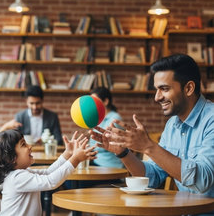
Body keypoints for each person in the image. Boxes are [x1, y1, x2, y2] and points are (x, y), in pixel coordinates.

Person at [90, 54, 214, 199]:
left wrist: (148, 146)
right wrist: (123, 153)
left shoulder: (211, 120)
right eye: (156, 89)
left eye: (164, 89)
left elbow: (203, 181)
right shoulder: (172, 125)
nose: (157, 97)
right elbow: (152, 177)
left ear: (189, 88)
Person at [0, 130, 96, 216]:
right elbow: (50, 182)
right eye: (23, 144)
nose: (30, 146)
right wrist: (75, 159)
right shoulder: (17, 178)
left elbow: (48, 173)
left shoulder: (22, 173)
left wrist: (67, 154)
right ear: (10, 158)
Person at [89, 87, 124, 168]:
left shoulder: (115, 119)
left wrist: (88, 148)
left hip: (109, 166)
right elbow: (93, 143)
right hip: (97, 162)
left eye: (95, 101)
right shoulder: (99, 118)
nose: (92, 105)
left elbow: (102, 145)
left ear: (105, 101)